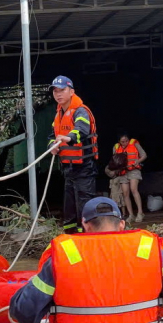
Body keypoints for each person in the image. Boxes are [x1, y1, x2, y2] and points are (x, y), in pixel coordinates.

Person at [10, 197, 163, 323]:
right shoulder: (149, 251)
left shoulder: (65, 255)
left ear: (84, 224)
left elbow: (24, 314)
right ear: (121, 224)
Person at [48, 75, 98, 234]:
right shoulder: (58, 114)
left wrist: (68, 138)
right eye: (55, 91)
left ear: (71, 91)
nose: (58, 94)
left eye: (62, 90)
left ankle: (88, 239)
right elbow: (51, 136)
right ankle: (71, 237)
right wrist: (52, 146)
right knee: (69, 208)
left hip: (84, 168)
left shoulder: (81, 111)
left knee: (85, 206)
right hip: (68, 169)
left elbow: (82, 130)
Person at [105, 134, 148, 223]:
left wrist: (137, 161)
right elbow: (114, 160)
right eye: (122, 142)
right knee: (125, 193)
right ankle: (131, 215)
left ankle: (140, 213)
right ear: (119, 142)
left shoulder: (134, 144)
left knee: (134, 189)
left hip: (133, 170)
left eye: (126, 141)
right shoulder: (116, 147)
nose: (124, 143)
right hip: (123, 173)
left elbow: (144, 155)